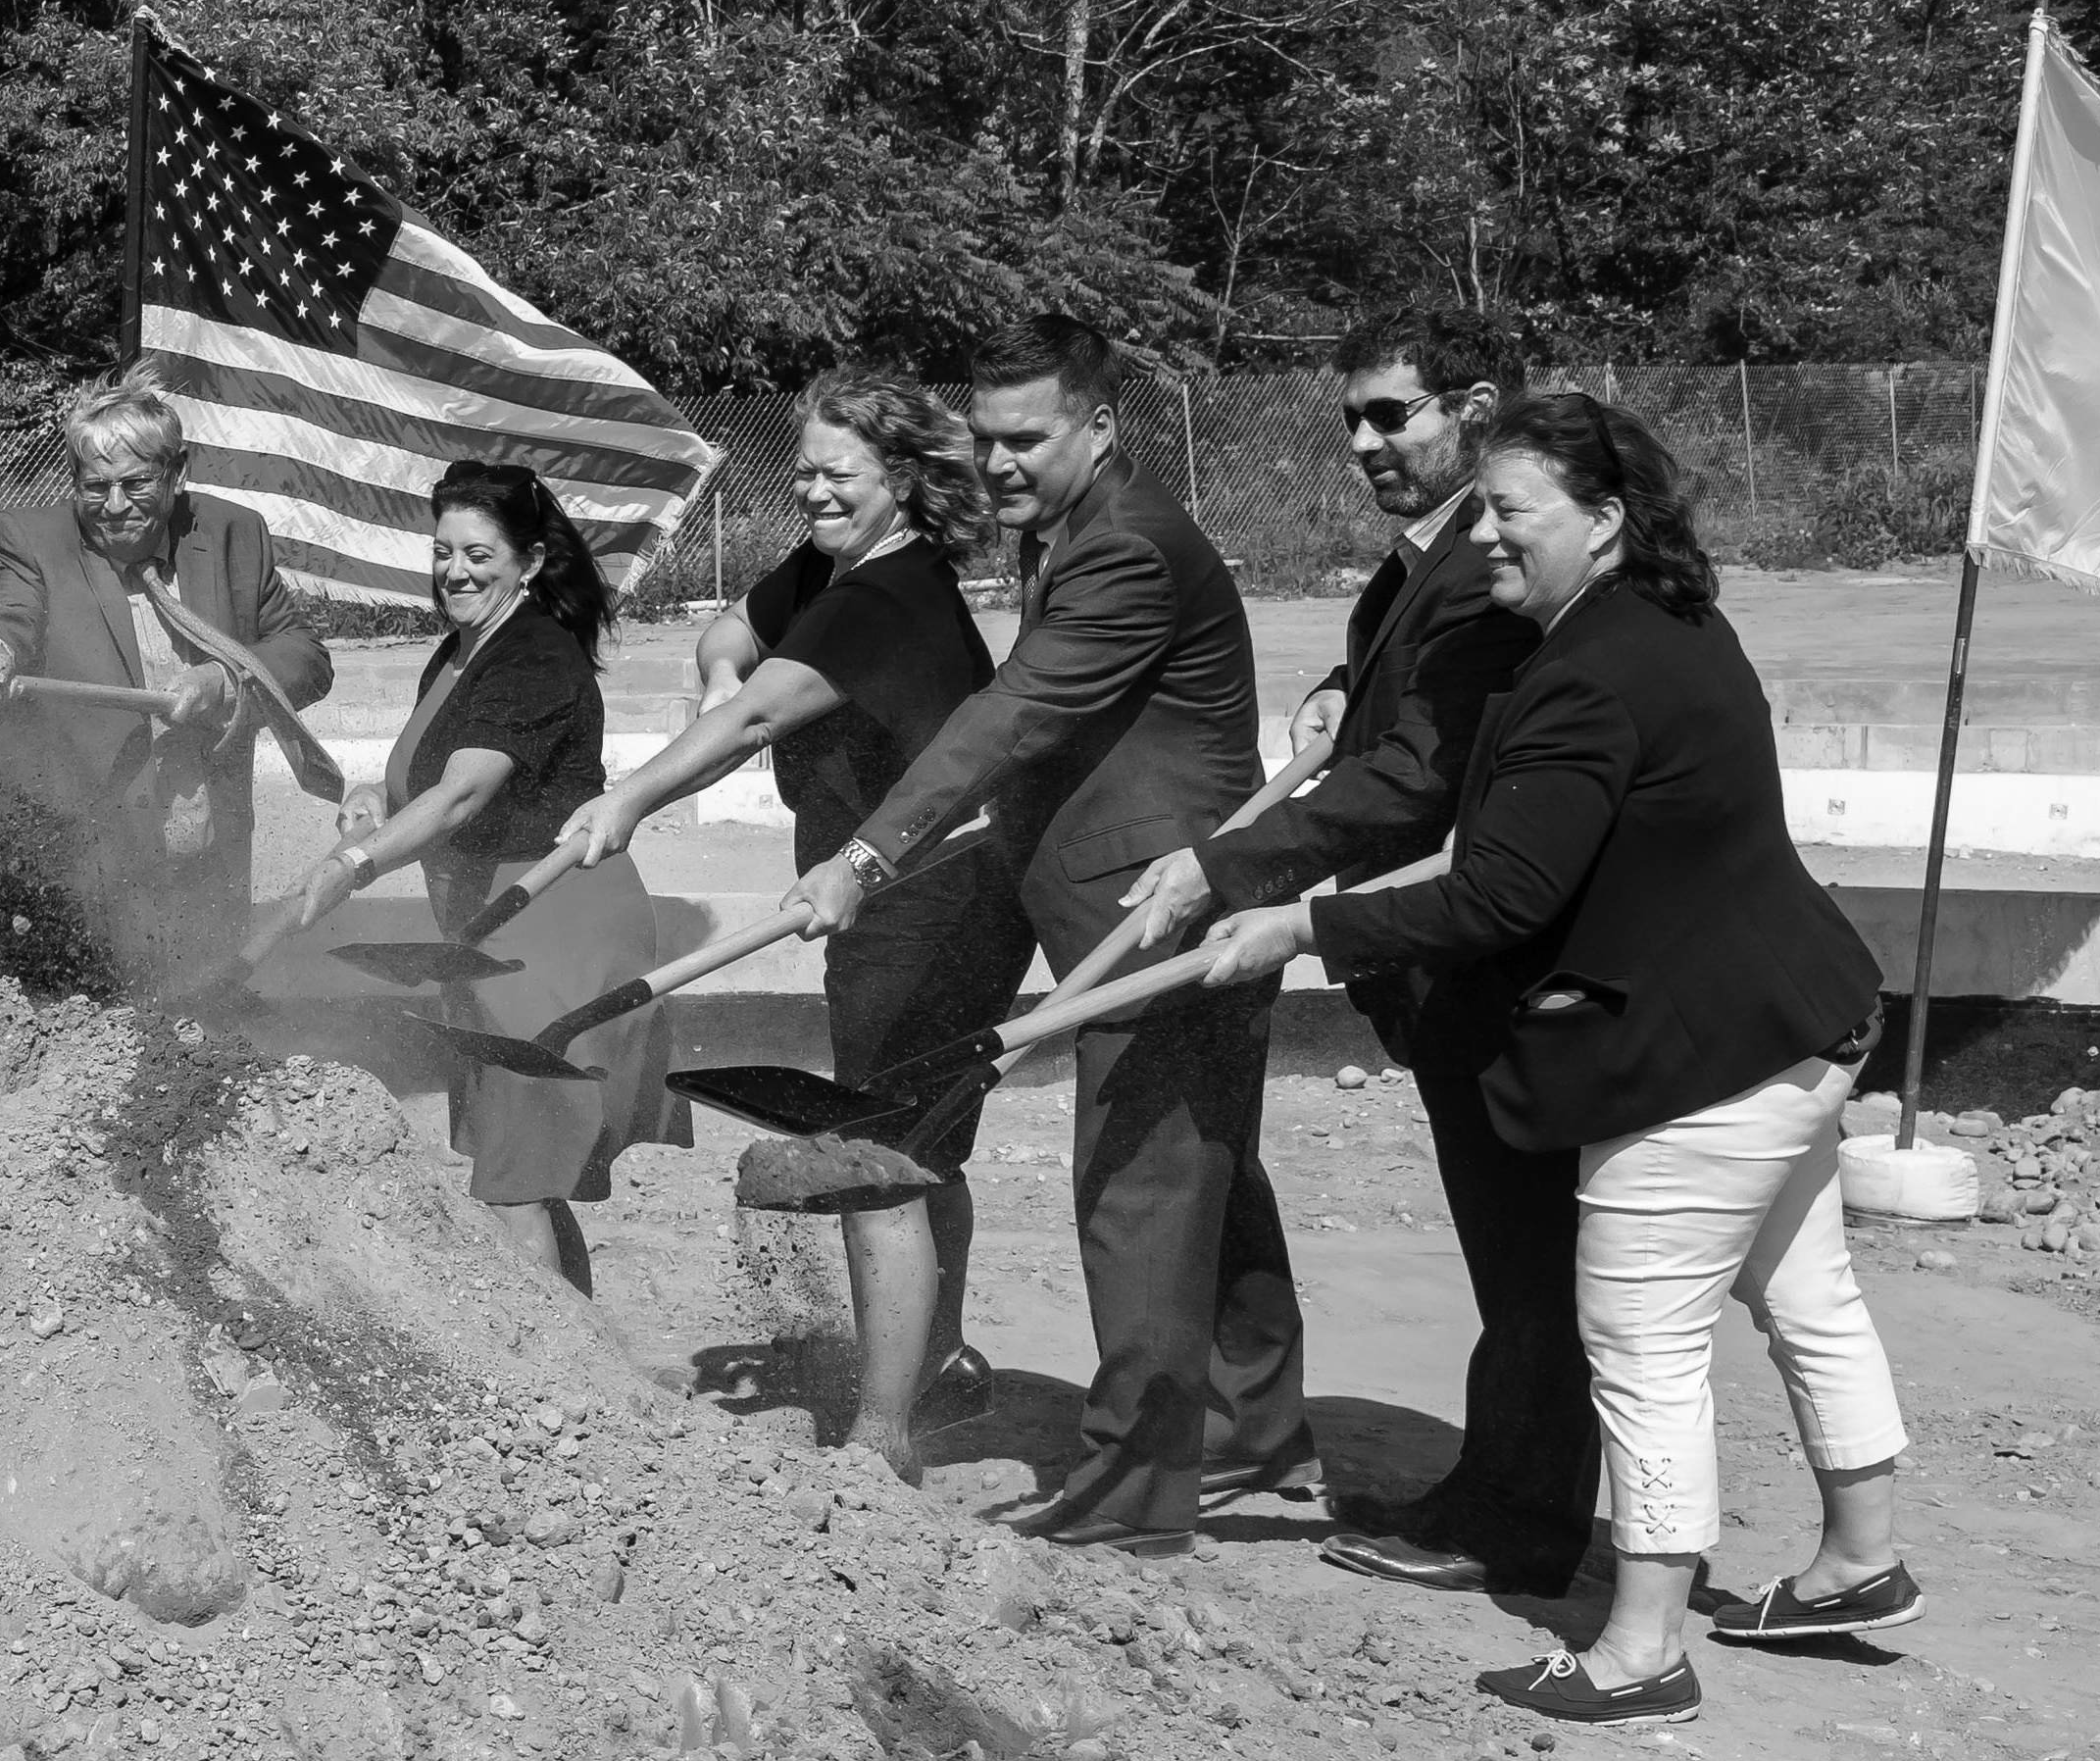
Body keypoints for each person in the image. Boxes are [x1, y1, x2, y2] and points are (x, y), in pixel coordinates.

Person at [1194, 395, 1908, 1728]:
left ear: (1604, 518)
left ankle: (1640, 1649)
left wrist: (1302, 923)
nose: (1489, 539)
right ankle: (1857, 1561)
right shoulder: (1665, 622)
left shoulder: (1589, 671)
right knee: (1803, 1295)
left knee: (1640, 1342)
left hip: (1696, 1055)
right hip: (1791, 1013)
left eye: (1511, 511)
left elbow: (1499, 895)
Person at [810, 318, 1294, 1556]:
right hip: (1122, 889)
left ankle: (1134, 1495)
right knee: (1206, 1176)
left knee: (1140, 1193)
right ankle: (1251, 1419)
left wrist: (872, 852)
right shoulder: (1076, 527)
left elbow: (1017, 712)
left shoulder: (1125, 547)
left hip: (1156, 913)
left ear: (1100, 425)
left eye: (1027, 437)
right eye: (984, 439)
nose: (1000, 463)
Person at [1120, 309, 1574, 1594]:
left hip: (1491, 962)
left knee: (1527, 1251)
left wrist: (1232, 867)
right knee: (1504, 1244)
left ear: (1475, 407)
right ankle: (1500, 1486)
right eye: (1353, 417)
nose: (1365, 441)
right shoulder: (1414, 565)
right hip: (1433, 959)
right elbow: (1392, 702)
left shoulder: (1482, 574)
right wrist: (1339, 680)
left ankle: (1523, 1518)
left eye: (1392, 412)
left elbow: (1415, 780)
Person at [550, 377, 1020, 1465]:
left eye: (838, 474)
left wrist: (629, 798)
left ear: (901, 481)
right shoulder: (832, 569)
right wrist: (720, 674)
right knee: (922, 1147)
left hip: (933, 899)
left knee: (877, 1152)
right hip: (892, 889)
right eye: (803, 469)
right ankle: (939, 1368)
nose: (812, 490)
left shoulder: (885, 599)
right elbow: (734, 641)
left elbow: (763, 712)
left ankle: (885, 1430)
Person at [288, 462, 675, 1288]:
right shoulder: (465, 647)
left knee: (513, 1181)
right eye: (441, 552)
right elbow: (428, 773)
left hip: (548, 929)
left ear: (530, 562)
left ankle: (561, 1386)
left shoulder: (532, 653)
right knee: (524, 1172)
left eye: (477, 555)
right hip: (489, 928)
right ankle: (591, 1366)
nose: (453, 572)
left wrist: (354, 863)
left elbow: (463, 793)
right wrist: (372, 798)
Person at [0, 379, 333, 960]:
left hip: (207, 851)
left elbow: (305, 653)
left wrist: (224, 681)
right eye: (95, 486)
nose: (115, 505)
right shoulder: (30, 540)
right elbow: (7, 612)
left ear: (177, 473)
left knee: (208, 1029)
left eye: (135, 483)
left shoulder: (234, 534)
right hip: (79, 864)